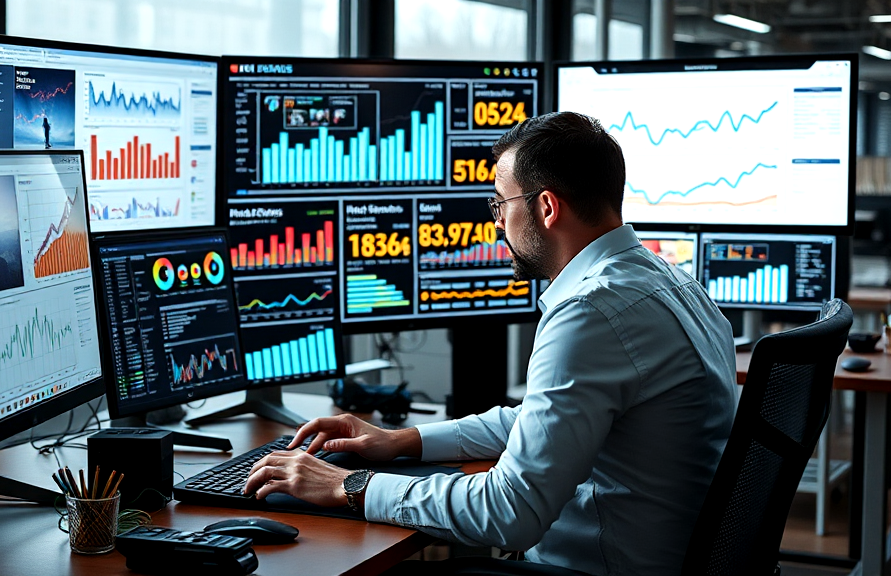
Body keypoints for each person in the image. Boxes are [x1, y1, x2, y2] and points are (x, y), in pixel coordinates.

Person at [244, 111, 738, 576]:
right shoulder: (672, 283)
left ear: (546, 207)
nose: (497, 222)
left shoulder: (591, 313)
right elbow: (541, 419)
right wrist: (402, 441)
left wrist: (345, 485)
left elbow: (511, 513)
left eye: (500, 203)